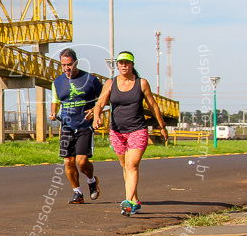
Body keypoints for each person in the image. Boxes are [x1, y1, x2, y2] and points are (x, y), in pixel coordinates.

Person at [93, 51, 169, 216]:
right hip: (117, 131)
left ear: (132, 65)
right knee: (125, 166)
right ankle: (135, 201)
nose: (123, 65)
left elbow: (154, 106)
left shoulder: (141, 83)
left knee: (131, 165)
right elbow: (100, 103)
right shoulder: (110, 83)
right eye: (121, 63)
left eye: (127, 63)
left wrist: (162, 126)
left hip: (138, 130)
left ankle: (127, 203)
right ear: (118, 65)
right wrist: (96, 117)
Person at [49, 48, 103, 204]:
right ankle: (77, 193)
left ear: (76, 63)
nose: (67, 68)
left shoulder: (90, 80)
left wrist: (95, 110)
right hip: (67, 126)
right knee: (68, 162)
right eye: (63, 65)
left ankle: (92, 181)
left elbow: (105, 98)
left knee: (81, 161)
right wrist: (53, 113)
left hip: (85, 125)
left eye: (70, 64)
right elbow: (55, 101)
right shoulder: (57, 82)